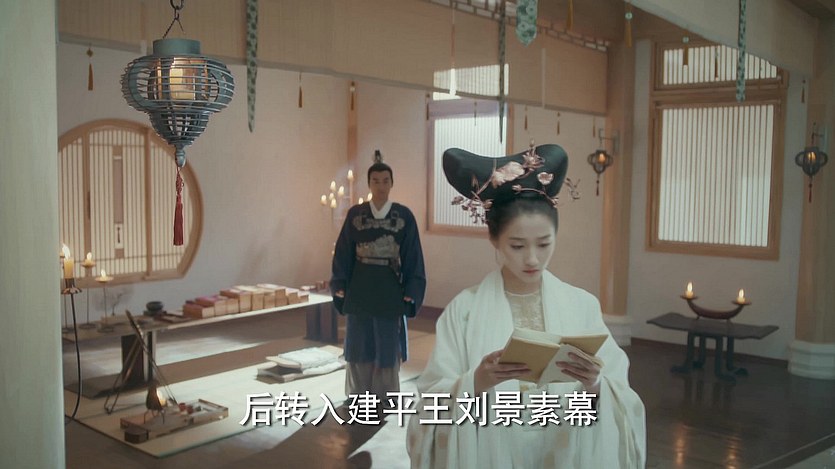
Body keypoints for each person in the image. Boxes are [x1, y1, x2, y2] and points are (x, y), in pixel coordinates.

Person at [407, 144, 646, 468]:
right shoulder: (464, 312)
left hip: (565, 448)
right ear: (494, 240)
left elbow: (623, 399)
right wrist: (476, 382)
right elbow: (428, 407)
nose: (533, 259)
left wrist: (595, 385)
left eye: (544, 244)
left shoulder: (582, 305)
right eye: (517, 246)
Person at [331, 150, 427, 404]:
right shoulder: (356, 214)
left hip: (389, 285)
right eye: (376, 181)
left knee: (387, 341)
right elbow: (343, 252)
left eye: (385, 181)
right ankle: (358, 394)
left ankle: (385, 395)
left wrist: (412, 290)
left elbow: (413, 256)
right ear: (369, 183)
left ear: (392, 183)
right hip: (360, 284)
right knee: (359, 340)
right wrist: (340, 284)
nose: (381, 186)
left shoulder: (403, 216)